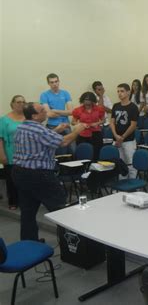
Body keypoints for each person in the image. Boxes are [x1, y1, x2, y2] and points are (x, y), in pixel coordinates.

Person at [12, 102, 85, 240]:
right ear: (34, 116)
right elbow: (63, 142)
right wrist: (77, 130)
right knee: (60, 209)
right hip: (39, 175)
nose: (46, 112)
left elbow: (41, 139)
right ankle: (70, 244)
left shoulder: (22, 126)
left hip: (20, 173)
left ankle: (29, 243)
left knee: (28, 212)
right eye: (42, 111)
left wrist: (56, 129)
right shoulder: (39, 130)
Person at [0, 95, 25, 210]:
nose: (21, 104)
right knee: (12, 179)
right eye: (18, 102)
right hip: (11, 153)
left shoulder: (28, 118)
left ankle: (25, 200)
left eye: (23, 102)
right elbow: (0, 139)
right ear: (12, 104)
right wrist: (2, 154)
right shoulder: (4, 120)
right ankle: (13, 201)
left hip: (27, 154)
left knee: (25, 178)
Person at [110, 84, 139, 178]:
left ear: (128, 92)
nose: (119, 93)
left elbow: (133, 125)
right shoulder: (116, 106)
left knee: (131, 163)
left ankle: (133, 184)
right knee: (120, 163)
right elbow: (112, 122)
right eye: (118, 91)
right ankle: (122, 185)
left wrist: (122, 137)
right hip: (117, 139)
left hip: (128, 140)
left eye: (122, 91)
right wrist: (116, 135)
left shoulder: (133, 107)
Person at [71, 92, 105, 161]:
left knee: (96, 154)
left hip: (96, 134)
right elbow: (73, 122)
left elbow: (103, 120)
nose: (87, 102)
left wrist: (97, 123)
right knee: (83, 155)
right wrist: (81, 124)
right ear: (82, 100)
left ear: (93, 100)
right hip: (82, 134)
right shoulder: (78, 110)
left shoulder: (98, 109)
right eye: (85, 100)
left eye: (89, 100)